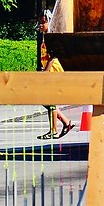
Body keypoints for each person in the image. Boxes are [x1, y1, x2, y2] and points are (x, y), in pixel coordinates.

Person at [38, 11, 74, 140]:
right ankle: (66, 122)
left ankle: (53, 131)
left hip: (54, 72)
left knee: (49, 101)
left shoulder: (51, 37)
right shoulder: (45, 36)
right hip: (49, 72)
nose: (41, 25)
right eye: (40, 22)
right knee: (45, 100)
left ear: (50, 22)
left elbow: (52, 56)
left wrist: (45, 72)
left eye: (44, 22)